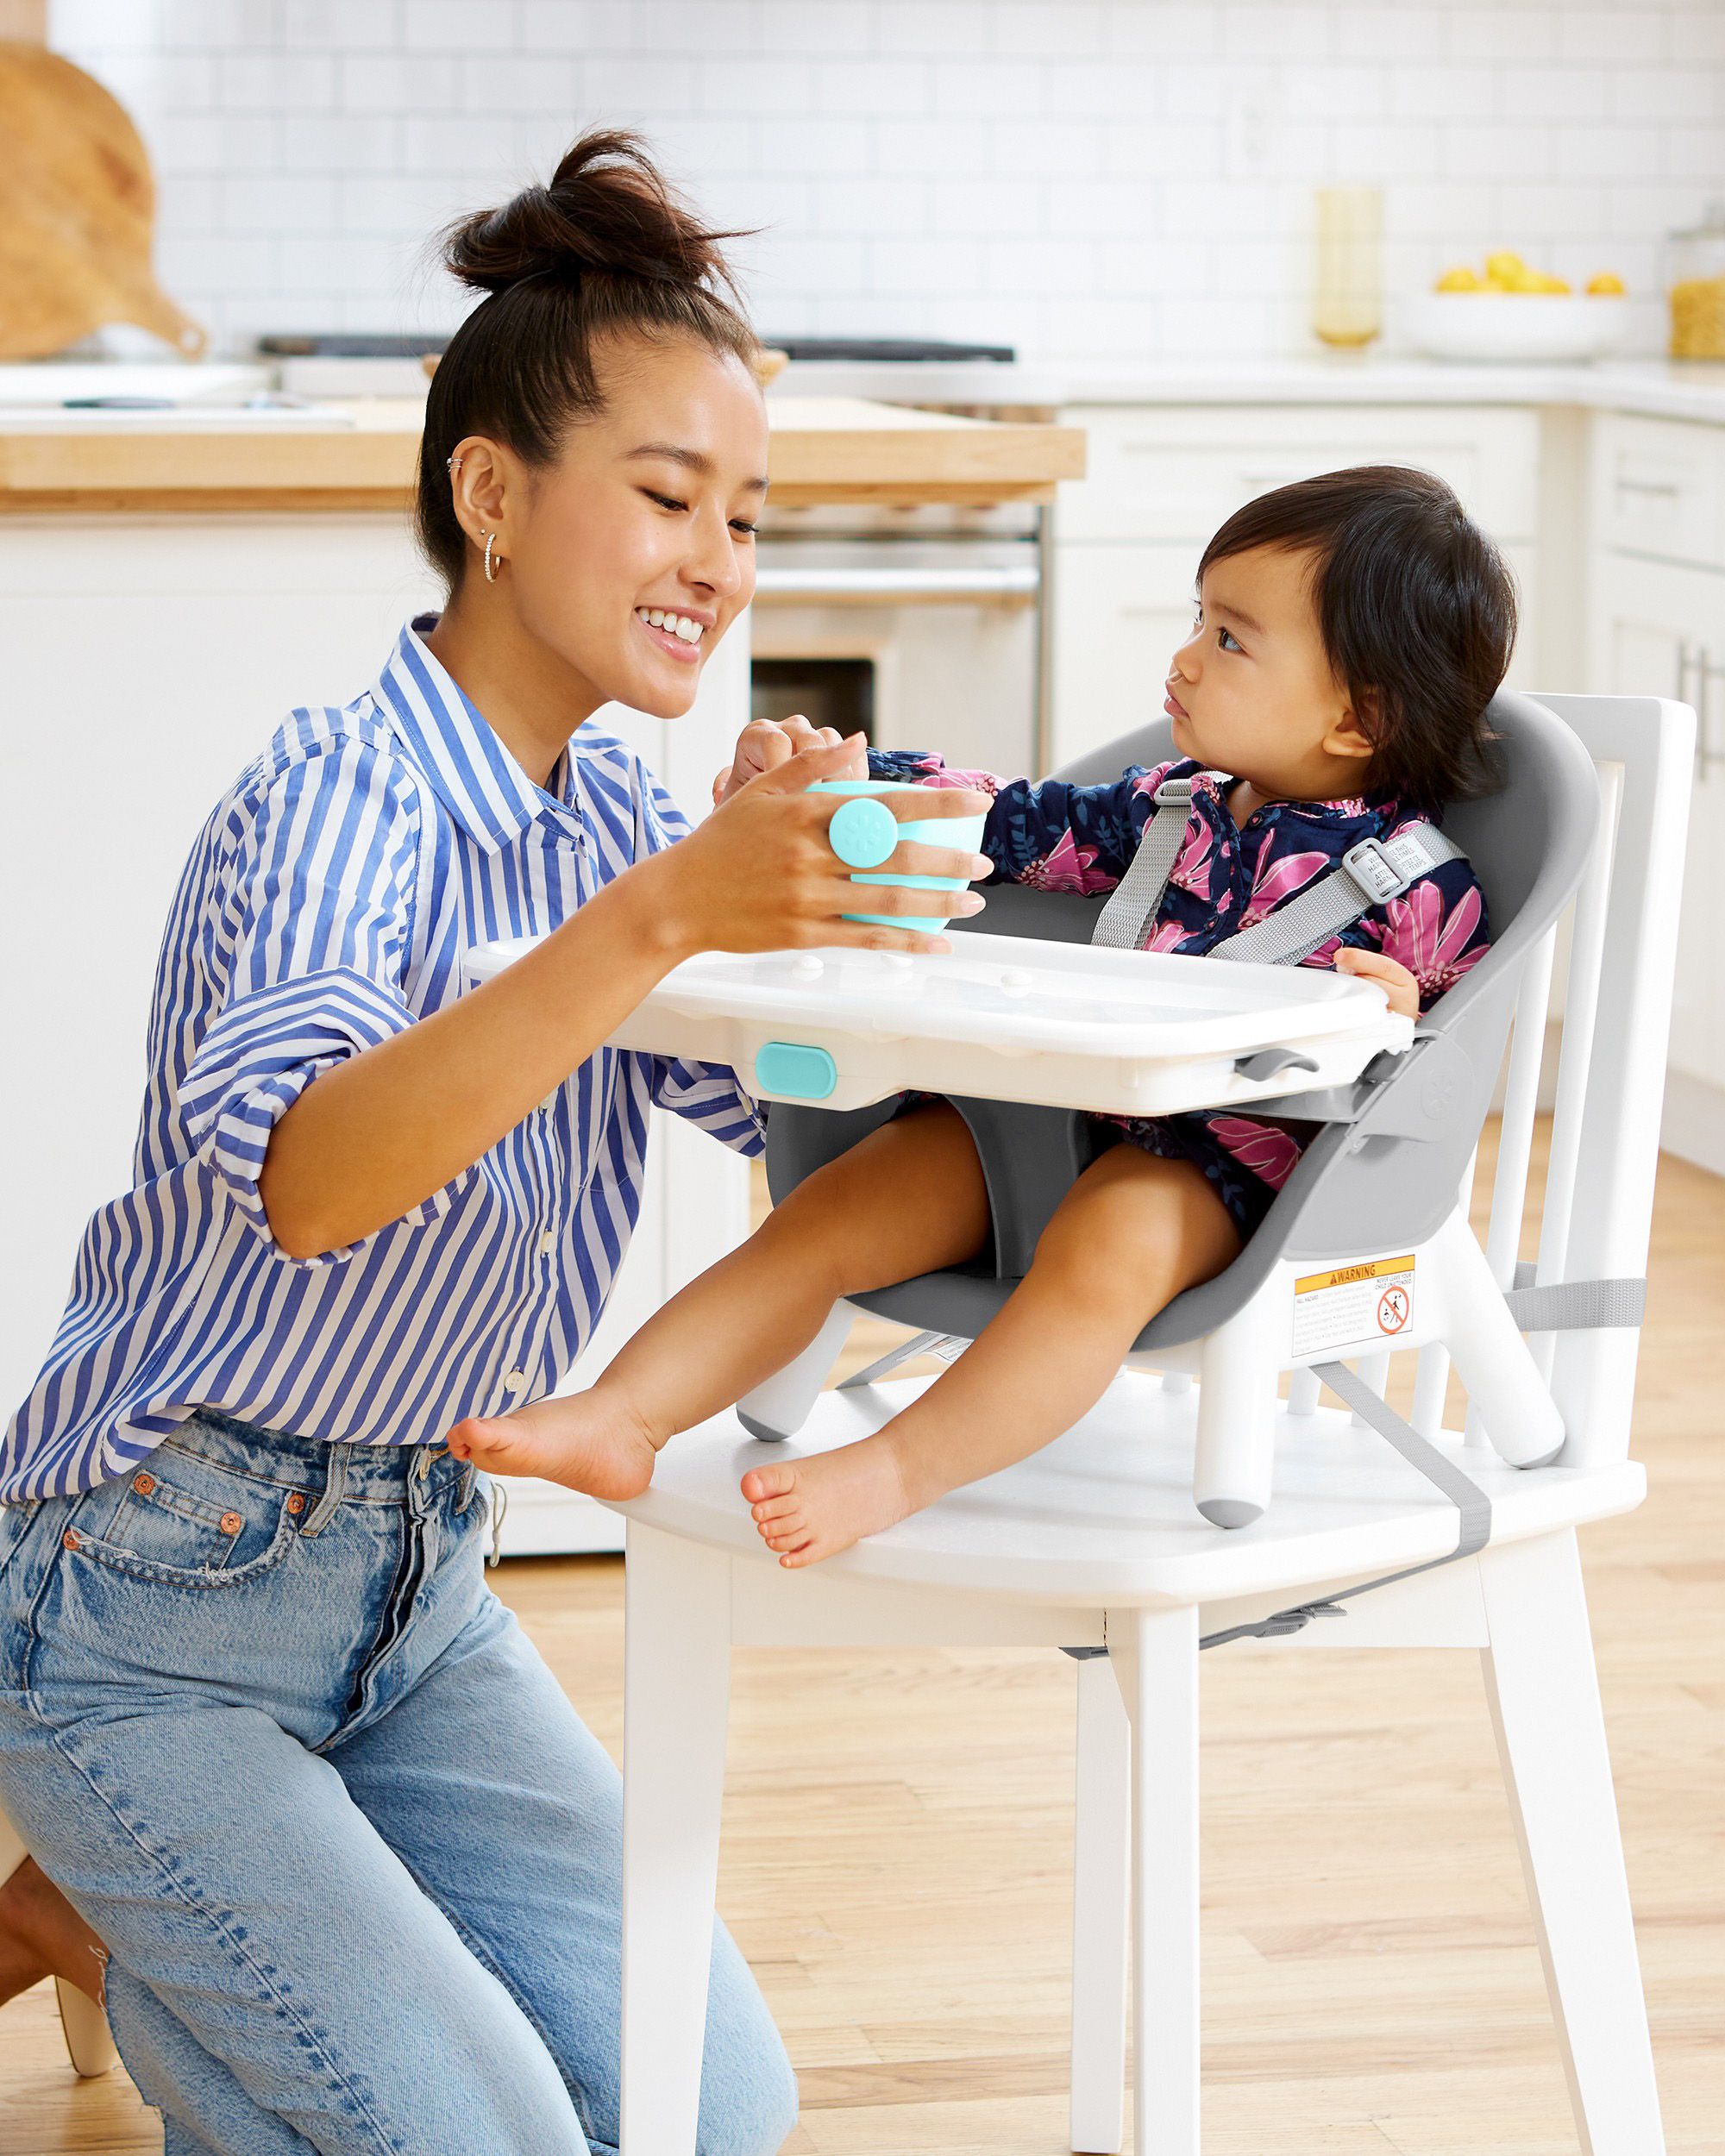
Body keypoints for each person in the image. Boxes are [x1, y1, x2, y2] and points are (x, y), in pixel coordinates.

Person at [0, 130, 988, 2154]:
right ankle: (139, 1891)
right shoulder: (337, 804)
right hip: (144, 1606)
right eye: (662, 495)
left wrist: (819, 919)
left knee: (710, 2110)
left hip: (420, 1595)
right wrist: (659, 920)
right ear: (489, 494)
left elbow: (802, 1150)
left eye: (743, 512)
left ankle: (134, 1919)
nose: (715, 558)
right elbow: (316, 1183)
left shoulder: (625, 821)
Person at [447, 467, 1509, 1568]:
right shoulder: (1167, 807)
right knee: (835, 1203)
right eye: (1198, 618)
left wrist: (1391, 1007)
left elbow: (1433, 1057)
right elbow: (995, 819)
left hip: (1215, 1173)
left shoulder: (1413, 887)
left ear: (1357, 716)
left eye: (1232, 639)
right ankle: (625, 1411)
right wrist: (848, 782)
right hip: (1050, 1120)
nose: (1184, 655)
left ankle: (895, 1469)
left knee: (1108, 1241)